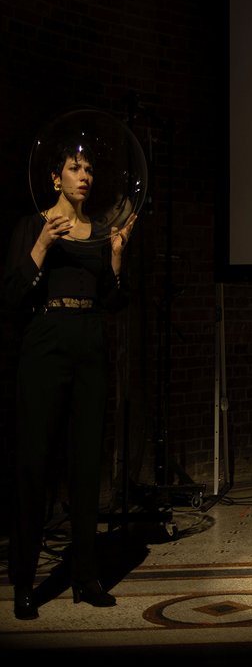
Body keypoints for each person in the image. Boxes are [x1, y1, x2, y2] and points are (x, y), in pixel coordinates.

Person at [3, 145, 137, 620]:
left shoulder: (99, 233)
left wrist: (116, 258)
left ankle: (86, 575)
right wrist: (42, 244)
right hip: (45, 343)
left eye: (89, 169)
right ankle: (24, 582)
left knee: (86, 464)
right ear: (56, 178)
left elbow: (114, 301)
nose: (84, 176)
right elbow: (12, 293)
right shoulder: (32, 225)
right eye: (75, 168)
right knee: (34, 463)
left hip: (89, 345)